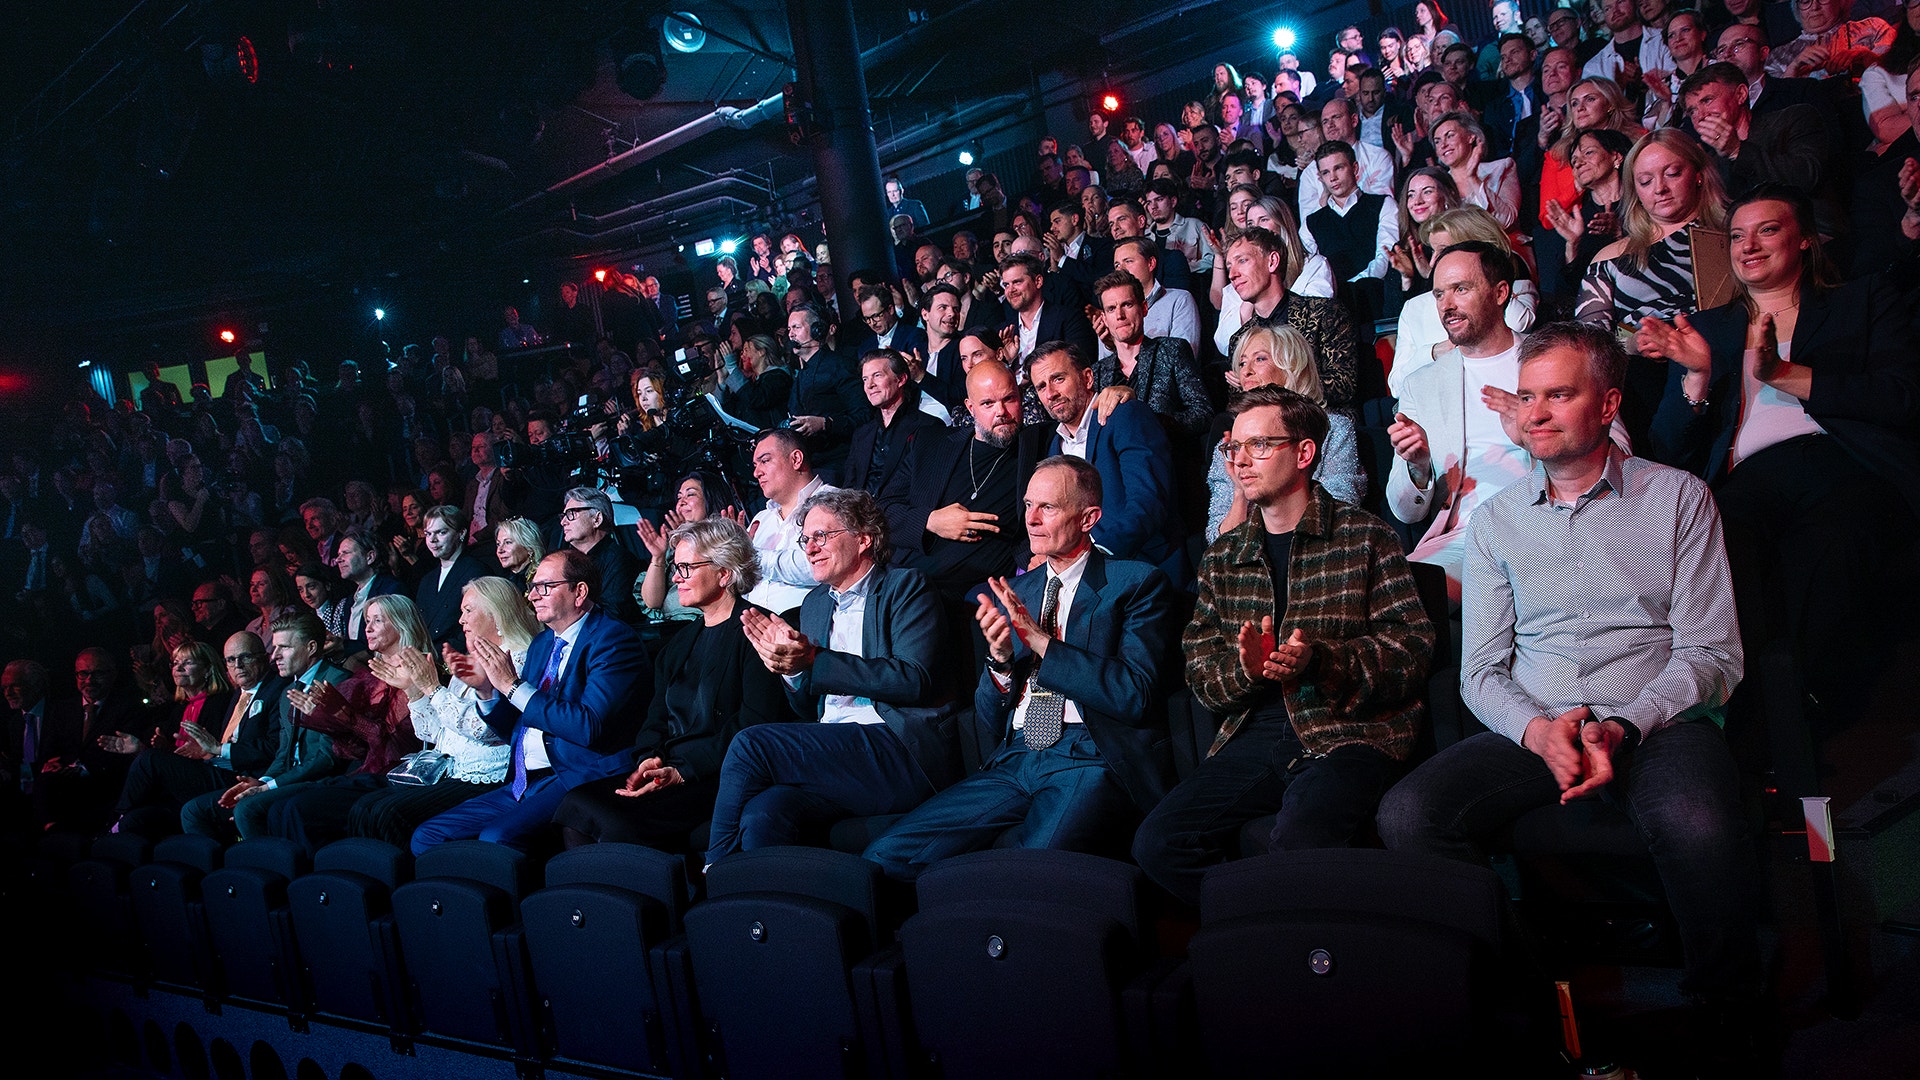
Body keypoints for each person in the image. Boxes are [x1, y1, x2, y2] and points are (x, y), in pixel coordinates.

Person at [1378, 322, 1761, 1052]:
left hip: (1660, 719)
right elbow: (1482, 670)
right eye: (1526, 398)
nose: (1536, 414)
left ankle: (1728, 1018)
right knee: (1409, 816)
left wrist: (1626, 724)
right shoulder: (1494, 523)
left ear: (1609, 402)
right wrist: (1537, 730)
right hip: (1539, 720)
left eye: (1559, 395)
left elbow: (1713, 652)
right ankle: (1531, 999)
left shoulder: (1678, 498)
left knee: (1697, 821)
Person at [1132, 386, 1435, 906]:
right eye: (1233, 448)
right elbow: (1201, 673)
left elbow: (1411, 651)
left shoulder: (1365, 537)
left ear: (1304, 453)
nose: (1240, 460)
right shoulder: (1223, 557)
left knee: (1299, 842)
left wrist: (1320, 659)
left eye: (1259, 445)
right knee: (1157, 844)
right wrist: (1247, 672)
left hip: (1348, 730)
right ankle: (1258, 932)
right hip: (1254, 732)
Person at [1639, 185, 1920, 674]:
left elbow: (1903, 398)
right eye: (1737, 236)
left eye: (1767, 230)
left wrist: (1784, 374)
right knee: (1722, 558)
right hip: (1748, 477)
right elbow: (1668, 451)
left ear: (1805, 239)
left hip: (1845, 462)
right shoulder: (1703, 330)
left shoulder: (1863, 299)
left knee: (1827, 549)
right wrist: (1698, 376)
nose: (1748, 246)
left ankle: (1803, 699)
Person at [865, 457, 1173, 878]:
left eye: (1047, 507)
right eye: (1027, 505)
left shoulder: (1135, 582)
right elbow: (989, 719)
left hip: (1089, 756)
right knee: (885, 858)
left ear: (1089, 518)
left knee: (1025, 874)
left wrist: (1042, 643)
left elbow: (1134, 695)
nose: (1030, 519)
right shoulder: (1019, 590)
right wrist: (1001, 662)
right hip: (1015, 756)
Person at [705, 488, 961, 866]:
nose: (809, 548)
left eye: (821, 536)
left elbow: (913, 680)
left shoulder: (905, 587)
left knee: (751, 745)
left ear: (863, 539)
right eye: (805, 539)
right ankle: (774, 915)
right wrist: (790, 671)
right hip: (838, 749)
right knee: (764, 814)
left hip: (897, 749)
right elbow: (808, 706)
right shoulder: (814, 604)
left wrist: (813, 659)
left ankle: (717, 871)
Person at [553, 519, 797, 849]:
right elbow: (655, 719)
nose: (675, 578)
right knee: (576, 803)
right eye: (675, 567)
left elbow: (755, 725)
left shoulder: (760, 631)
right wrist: (650, 758)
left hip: (721, 774)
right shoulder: (679, 643)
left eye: (686, 567)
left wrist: (684, 771)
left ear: (724, 572)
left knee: (611, 818)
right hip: (670, 769)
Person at [410, 549, 650, 852]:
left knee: (497, 839)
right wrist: (486, 691)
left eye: (544, 587)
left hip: (575, 775)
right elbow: (516, 726)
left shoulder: (613, 641)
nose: (533, 596)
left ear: (579, 592)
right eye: (532, 587)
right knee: (427, 837)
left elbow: (589, 725)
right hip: (524, 781)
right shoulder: (542, 643)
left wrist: (512, 686)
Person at [343, 577, 535, 847]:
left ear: (496, 613)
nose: (460, 620)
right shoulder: (469, 660)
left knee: (388, 814)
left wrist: (432, 687)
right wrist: (413, 690)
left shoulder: (520, 658)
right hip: (447, 770)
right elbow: (434, 733)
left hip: (483, 777)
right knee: (365, 808)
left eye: (468, 611)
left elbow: (486, 730)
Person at [1576, 128, 1729, 444]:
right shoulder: (1611, 256)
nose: (1660, 188)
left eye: (1672, 174)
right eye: (1645, 182)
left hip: (1725, 361)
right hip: (1646, 377)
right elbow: (1593, 337)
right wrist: (1637, 340)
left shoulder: (1732, 236)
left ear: (1698, 174)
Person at [261, 595, 432, 854]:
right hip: (366, 772)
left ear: (401, 624)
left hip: (395, 777)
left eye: (378, 620)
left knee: (298, 809)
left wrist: (344, 716)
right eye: (366, 620)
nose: (369, 628)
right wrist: (326, 721)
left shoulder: (420, 670)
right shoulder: (370, 676)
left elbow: (399, 749)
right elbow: (356, 751)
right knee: (277, 809)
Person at [1025, 342, 1187, 583]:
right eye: (1041, 387)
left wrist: (1093, 557)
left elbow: (1148, 502)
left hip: (1137, 566)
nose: (1050, 393)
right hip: (1079, 574)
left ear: (1088, 378)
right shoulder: (1052, 445)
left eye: (1058, 379)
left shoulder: (1125, 415)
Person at [182, 613, 352, 842]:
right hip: (290, 779)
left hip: (323, 781)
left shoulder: (338, 682)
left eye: (284, 647)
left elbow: (327, 759)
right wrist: (262, 782)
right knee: (197, 809)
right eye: (275, 648)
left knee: (247, 809)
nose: (275, 656)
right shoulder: (287, 692)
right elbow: (283, 755)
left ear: (311, 647)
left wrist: (268, 787)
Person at [1211, 325, 1368, 534]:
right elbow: (1218, 539)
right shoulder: (1231, 447)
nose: (1246, 371)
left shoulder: (1334, 429)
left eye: (1259, 359)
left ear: (1292, 365)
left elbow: (1340, 508)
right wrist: (1240, 492)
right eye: (1242, 363)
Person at [1680, 63, 1839, 240]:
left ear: (1740, 94)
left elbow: (1807, 177)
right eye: (1692, 111)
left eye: (1707, 100)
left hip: (1809, 234)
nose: (1700, 115)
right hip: (1748, 246)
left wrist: (1737, 150)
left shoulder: (1793, 120)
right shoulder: (1712, 162)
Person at [103, 641, 234, 838]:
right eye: (174, 663)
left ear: (207, 669)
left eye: (187, 662)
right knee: (134, 821)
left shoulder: (221, 703)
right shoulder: (179, 708)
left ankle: (114, 821)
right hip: (178, 789)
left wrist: (155, 754)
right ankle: (116, 827)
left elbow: (216, 751)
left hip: (213, 780)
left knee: (150, 759)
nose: (178, 668)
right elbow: (174, 755)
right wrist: (141, 748)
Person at [1224, 227, 1364, 410]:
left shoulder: (1324, 314)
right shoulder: (1240, 339)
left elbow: (1344, 384)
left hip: (1320, 424)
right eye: (1229, 267)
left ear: (1272, 261)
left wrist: (1275, 380)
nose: (1232, 274)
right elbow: (1239, 405)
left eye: (1242, 261)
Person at [1090, 271, 1213, 438]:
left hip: (1166, 456)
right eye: (1111, 309)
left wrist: (1150, 420)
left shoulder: (1172, 351)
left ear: (1144, 308)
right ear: (1103, 318)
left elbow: (1203, 414)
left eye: (1127, 305)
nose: (1120, 315)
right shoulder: (1097, 372)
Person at [845, 350, 948, 498]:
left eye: (877, 376)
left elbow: (928, 488)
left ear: (901, 379)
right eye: (865, 379)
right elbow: (849, 488)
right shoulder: (862, 434)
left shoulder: (929, 427)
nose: (870, 385)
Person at [560, 487, 639, 627]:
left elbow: (614, 614)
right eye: (564, 516)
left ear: (597, 519)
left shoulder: (620, 560)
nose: (563, 522)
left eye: (571, 514)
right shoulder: (564, 561)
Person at [413, 505, 487, 648]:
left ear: (461, 533)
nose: (432, 540)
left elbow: (479, 625)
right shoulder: (428, 579)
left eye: (441, 532)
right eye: (428, 534)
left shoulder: (475, 572)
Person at [493, 516, 545, 590]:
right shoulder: (502, 583)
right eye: (498, 544)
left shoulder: (541, 579)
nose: (500, 550)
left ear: (529, 547)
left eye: (508, 542)